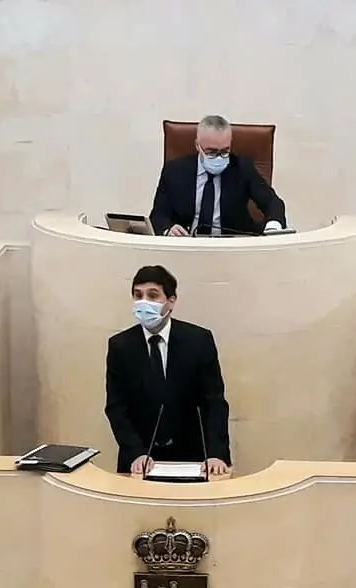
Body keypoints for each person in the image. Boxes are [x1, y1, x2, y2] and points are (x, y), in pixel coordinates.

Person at [104, 265, 232, 476]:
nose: (144, 302)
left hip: (192, 456)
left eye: (153, 295)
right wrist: (136, 452)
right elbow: (116, 407)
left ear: (171, 300)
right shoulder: (121, 346)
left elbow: (214, 402)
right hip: (141, 459)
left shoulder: (198, 341)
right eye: (138, 295)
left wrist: (216, 453)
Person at [150, 114, 287, 236]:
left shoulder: (241, 168)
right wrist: (168, 229)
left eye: (224, 151)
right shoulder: (174, 170)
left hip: (231, 246)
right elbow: (158, 215)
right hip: (188, 245)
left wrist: (273, 226)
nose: (219, 158)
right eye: (211, 152)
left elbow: (272, 203)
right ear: (198, 146)